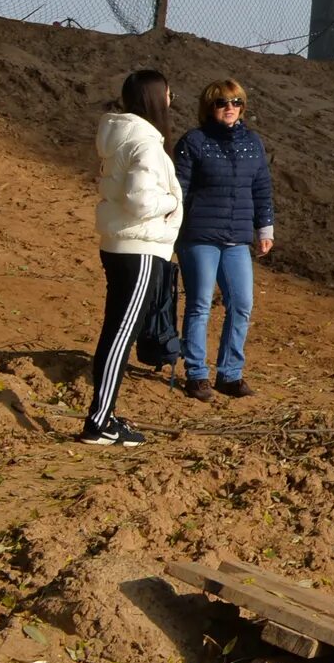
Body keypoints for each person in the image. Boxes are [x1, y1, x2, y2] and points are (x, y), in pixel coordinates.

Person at [85, 70, 183, 446]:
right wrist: (172, 202)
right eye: (168, 93)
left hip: (119, 244)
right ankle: (99, 422)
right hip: (139, 248)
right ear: (157, 97)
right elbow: (140, 200)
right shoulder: (145, 142)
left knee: (115, 331)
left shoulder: (122, 136)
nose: (171, 99)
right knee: (121, 335)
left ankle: (103, 416)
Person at [171, 77, 274, 401]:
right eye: (222, 103)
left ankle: (230, 374)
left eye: (236, 102)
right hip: (199, 235)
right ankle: (197, 374)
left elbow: (261, 187)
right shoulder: (194, 141)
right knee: (200, 304)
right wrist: (170, 227)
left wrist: (265, 229)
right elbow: (178, 187)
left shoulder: (252, 143)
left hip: (236, 238)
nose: (230, 108)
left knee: (241, 304)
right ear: (209, 107)